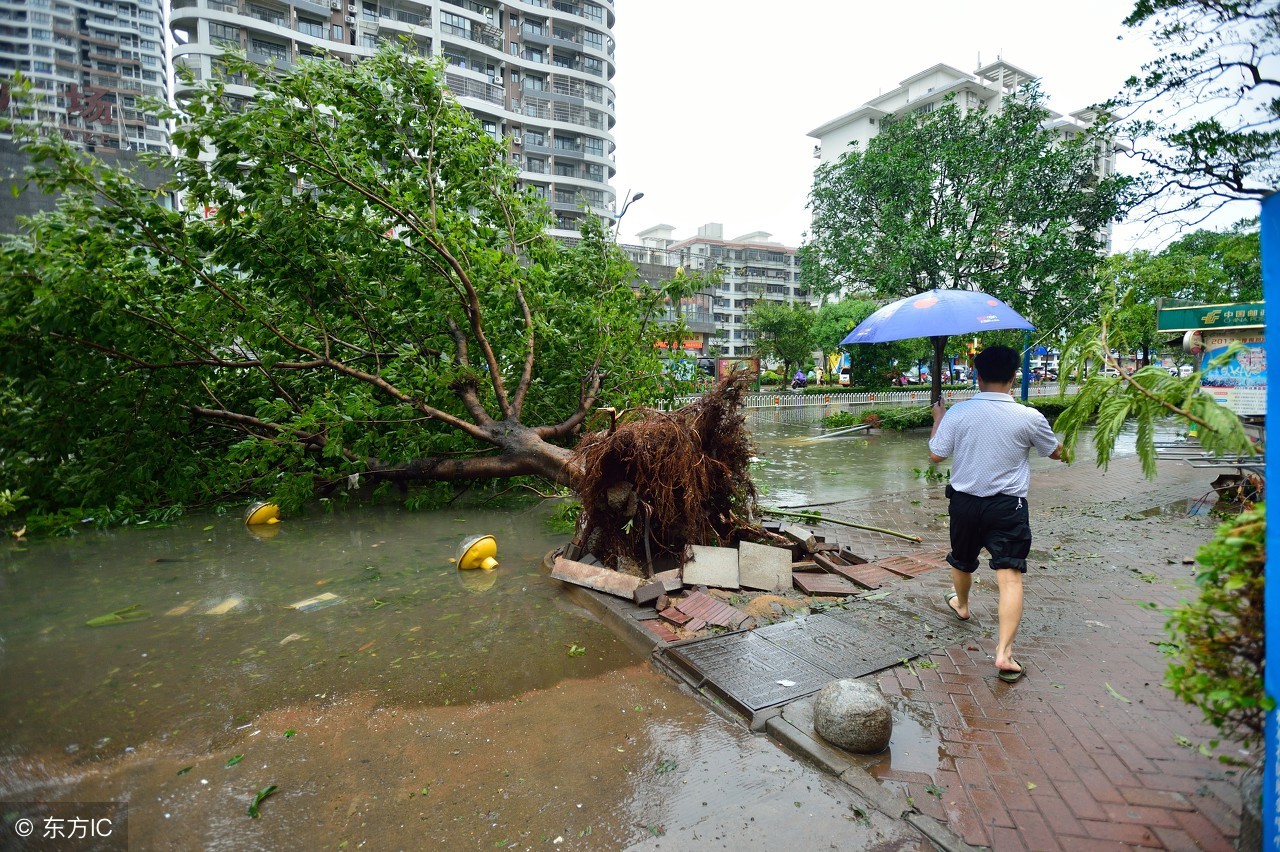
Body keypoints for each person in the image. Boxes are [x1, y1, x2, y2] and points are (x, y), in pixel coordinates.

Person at [927, 345, 1064, 683]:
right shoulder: (1029, 417)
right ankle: (1003, 653)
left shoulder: (958, 414)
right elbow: (1057, 453)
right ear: (1014, 376)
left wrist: (939, 420)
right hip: (1007, 507)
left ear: (977, 374)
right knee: (1010, 576)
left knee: (961, 560)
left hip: (964, 503)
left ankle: (962, 604)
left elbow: (935, 455)